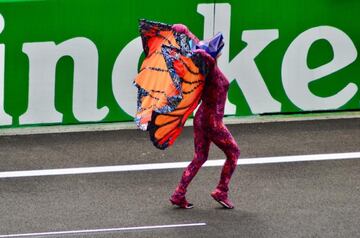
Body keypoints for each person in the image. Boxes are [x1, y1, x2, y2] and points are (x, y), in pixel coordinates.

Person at [169, 24, 241, 209]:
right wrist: (187, 35)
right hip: (212, 121)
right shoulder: (209, 68)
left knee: (200, 157)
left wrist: (187, 33)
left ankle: (179, 193)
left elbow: (199, 49)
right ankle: (221, 190)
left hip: (201, 117)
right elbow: (202, 54)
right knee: (233, 153)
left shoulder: (205, 69)